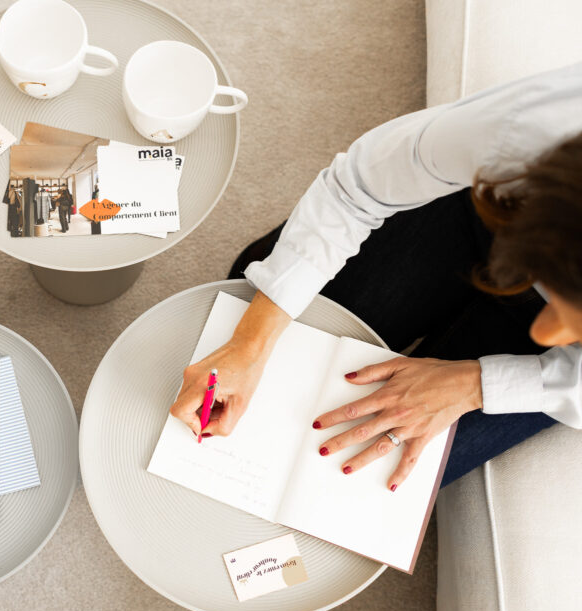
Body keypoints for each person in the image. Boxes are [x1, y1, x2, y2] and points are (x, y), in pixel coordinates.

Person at [171, 62, 582, 492]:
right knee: (255, 302)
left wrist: (476, 385)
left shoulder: (551, 333)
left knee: (349, 485)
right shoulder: (537, 132)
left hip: (559, 369)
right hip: (482, 217)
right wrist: (250, 343)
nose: (545, 329)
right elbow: (357, 187)